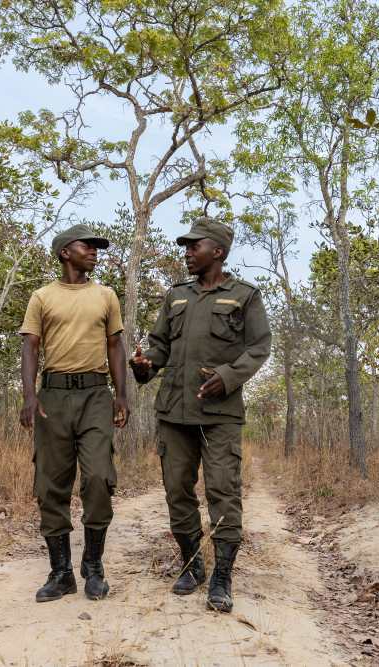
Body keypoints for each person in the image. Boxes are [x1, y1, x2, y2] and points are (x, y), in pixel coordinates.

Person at [130, 217, 271, 613]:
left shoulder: (244, 296)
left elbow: (259, 347)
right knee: (177, 489)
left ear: (218, 252)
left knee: (223, 490)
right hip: (174, 411)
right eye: (186, 247)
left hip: (220, 413)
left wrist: (228, 377)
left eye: (195, 246)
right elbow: (159, 345)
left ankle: (223, 574)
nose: (188, 253)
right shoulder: (176, 296)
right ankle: (192, 564)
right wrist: (145, 364)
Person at [20, 224, 130, 603]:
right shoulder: (42, 297)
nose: (95, 252)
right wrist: (30, 396)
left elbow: (115, 345)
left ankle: (93, 566)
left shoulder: (105, 295)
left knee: (99, 477)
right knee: (51, 484)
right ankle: (61, 572)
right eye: (88, 246)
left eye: (97, 247)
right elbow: (31, 347)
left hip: (95, 395)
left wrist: (121, 396)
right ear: (66, 252)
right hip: (53, 397)